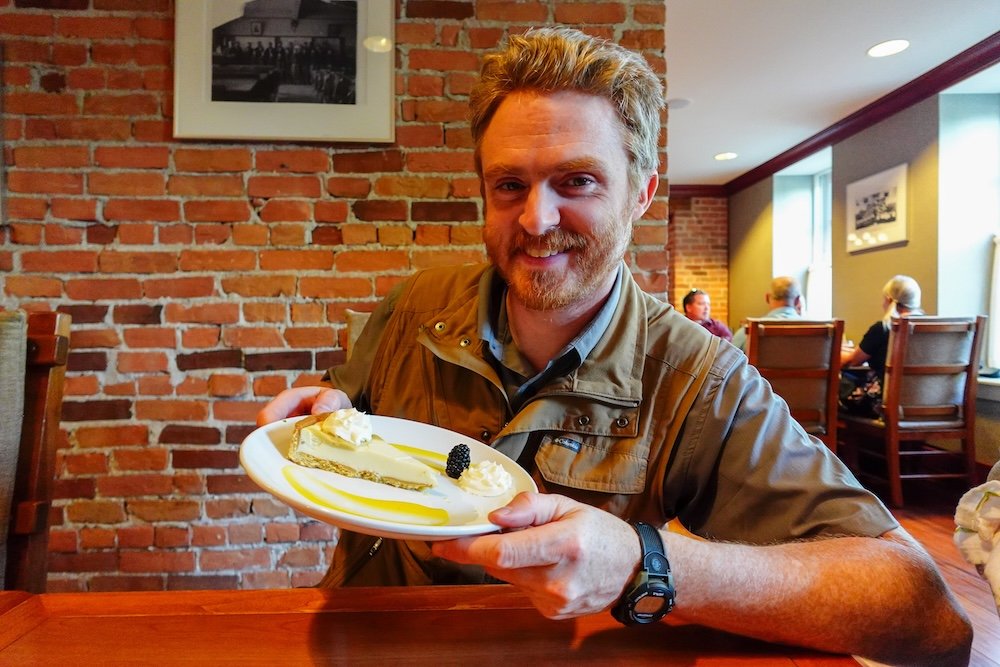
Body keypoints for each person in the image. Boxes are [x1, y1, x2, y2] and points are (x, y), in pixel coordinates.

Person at [258, 29, 970, 665]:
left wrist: (646, 561)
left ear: (641, 193)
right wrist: (325, 414)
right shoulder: (412, 306)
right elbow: (347, 411)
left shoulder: (698, 377)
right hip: (364, 639)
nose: (536, 219)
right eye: (510, 185)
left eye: (577, 181)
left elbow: (923, 614)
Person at [839, 275, 924, 417]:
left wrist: (835, 350)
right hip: (925, 400)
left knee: (839, 387)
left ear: (889, 300)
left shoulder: (884, 328)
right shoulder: (928, 329)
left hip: (884, 403)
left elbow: (852, 361)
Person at [730, 276, 804, 352]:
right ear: (797, 300)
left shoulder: (746, 333)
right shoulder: (815, 332)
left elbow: (729, 361)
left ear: (767, 298)